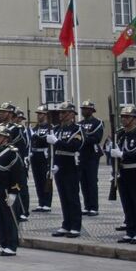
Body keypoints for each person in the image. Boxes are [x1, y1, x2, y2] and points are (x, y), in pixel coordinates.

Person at [111, 105, 136, 244]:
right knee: (127, 203)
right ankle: (130, 231)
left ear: (135, 119)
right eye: (122, 117)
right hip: (123, 172)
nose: (124, 119)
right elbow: (112, 152)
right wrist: (114, 171)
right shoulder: (120, 134)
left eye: (127, 117)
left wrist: (122, 154)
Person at [47, 101, 84, 238]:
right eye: (60, 112)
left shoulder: (77, 129)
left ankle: (75, 226)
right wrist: (53, 164)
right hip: (59, 166)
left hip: (71, 166)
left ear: (71, 114)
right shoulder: (57, 129)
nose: (61, 115)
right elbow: (53, 151)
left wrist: (56, 142)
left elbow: (74, 146)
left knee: (72, 197)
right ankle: (66, 224)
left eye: (64, 112)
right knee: (63, 197)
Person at [0, 124, 23, 256]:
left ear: (6, 138)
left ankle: (12, 245)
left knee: (9, 218)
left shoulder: (12, 152)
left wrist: (14, 192)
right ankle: (3, 243)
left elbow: (18, 173)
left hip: (7, 189)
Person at [78, 100, 104, 216]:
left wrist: (83, 138)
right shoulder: (79, 123)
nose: (84, 111)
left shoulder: (97, 122)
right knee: (83, 181)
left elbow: (96, 138)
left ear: (91, 110)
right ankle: (87, 205)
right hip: (81, 154)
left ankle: (94, 206)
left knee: (92, 181)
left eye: (86, 109)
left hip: (92, 155)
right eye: (83, 109)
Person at [29, 105, 54, 212]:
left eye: (41, 114)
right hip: (35, 156)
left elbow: (48, 140)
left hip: (45, 156)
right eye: (38, 114)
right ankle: (41, 202)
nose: (39, 116)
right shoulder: (35, 128)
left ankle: (47, 203)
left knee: (46, 179)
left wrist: (38, 138)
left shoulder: (50, 127)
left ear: (45, 115)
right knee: (37, 180)